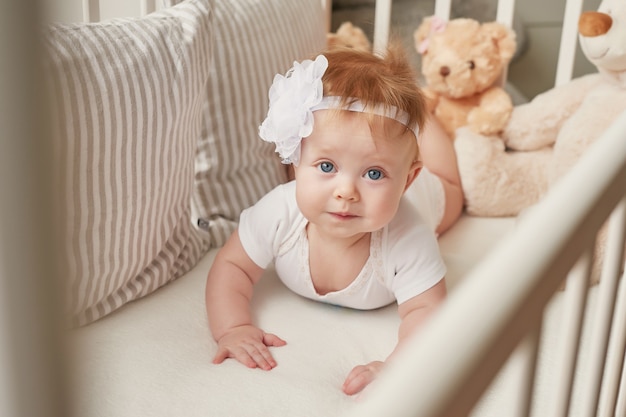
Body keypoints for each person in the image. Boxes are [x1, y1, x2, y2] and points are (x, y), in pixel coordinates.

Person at [205, 43, 464, 396]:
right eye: (326, 166)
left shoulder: (408, 233)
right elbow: (232, 265)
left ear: (406, 180)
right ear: (295, 162)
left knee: (451, 185)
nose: (346, 191)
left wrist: (397, 365)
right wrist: (233, 327)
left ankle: (429, 115)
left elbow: (426, 311)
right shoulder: (279, 212)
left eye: (374, 173)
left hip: (429, 195)